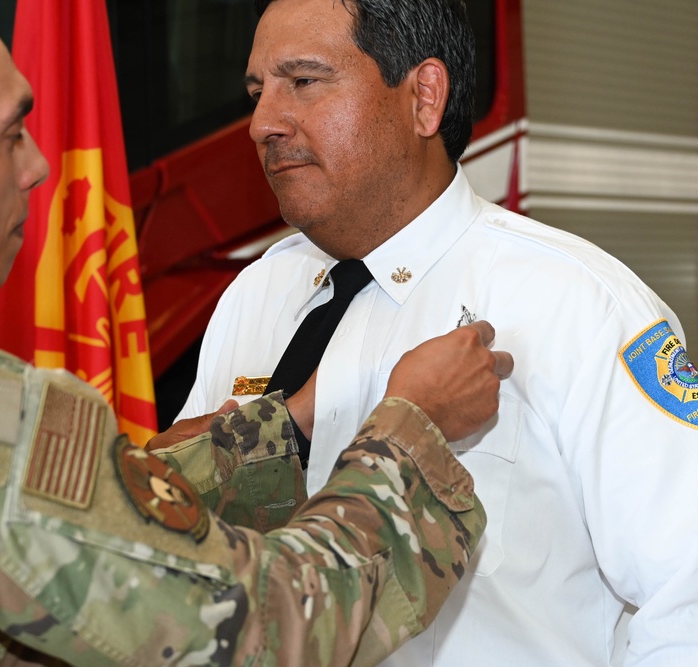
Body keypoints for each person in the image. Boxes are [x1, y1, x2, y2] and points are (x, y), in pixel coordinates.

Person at [0, 1, 513, 665]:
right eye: (9, 134)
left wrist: (286, 423)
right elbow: (267, 627)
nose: (39, 167)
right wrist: (412, 435)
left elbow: (68, 511)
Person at [177, 0, 698, 665]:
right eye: (258, 91)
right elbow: (180, 530)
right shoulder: (254, 297)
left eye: (303, 81)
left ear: (424, 97)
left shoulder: (579, 305)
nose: (262, 124)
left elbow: (684, 594)